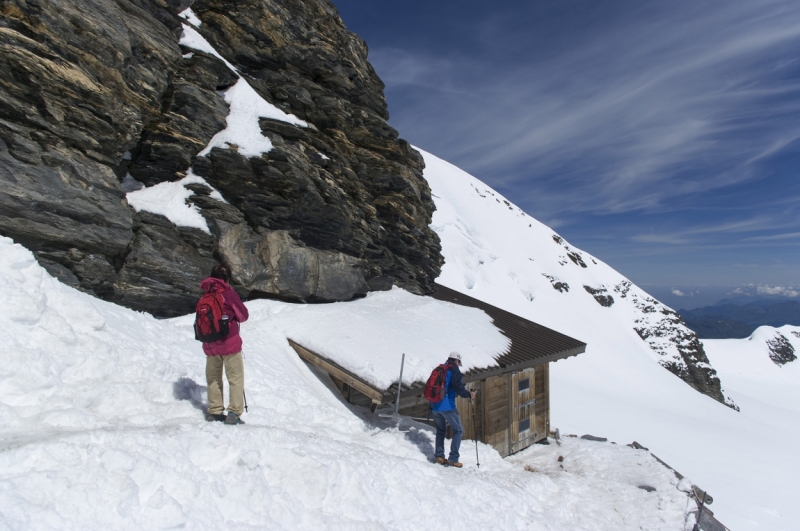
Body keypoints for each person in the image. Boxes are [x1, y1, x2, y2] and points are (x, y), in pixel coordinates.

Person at [200, 264, 249, 425]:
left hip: (210, 344)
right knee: (235, 378)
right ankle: (233, 413)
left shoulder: (206, 294)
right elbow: (243, 316)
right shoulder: (228, 293)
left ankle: (214, 412)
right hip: (229, 343)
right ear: (227, 278)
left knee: (213, 378)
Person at [431, 352, 475, 468]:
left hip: (435, 405)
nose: (458, 364)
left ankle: (439, 457)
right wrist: (468, 394)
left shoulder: (440, 368)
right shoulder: (454, 370)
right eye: (459, 362)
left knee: (440, 431)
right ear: (456, 361)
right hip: (447, 406)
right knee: (458, 431)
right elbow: (457, 386)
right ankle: (453, 458)